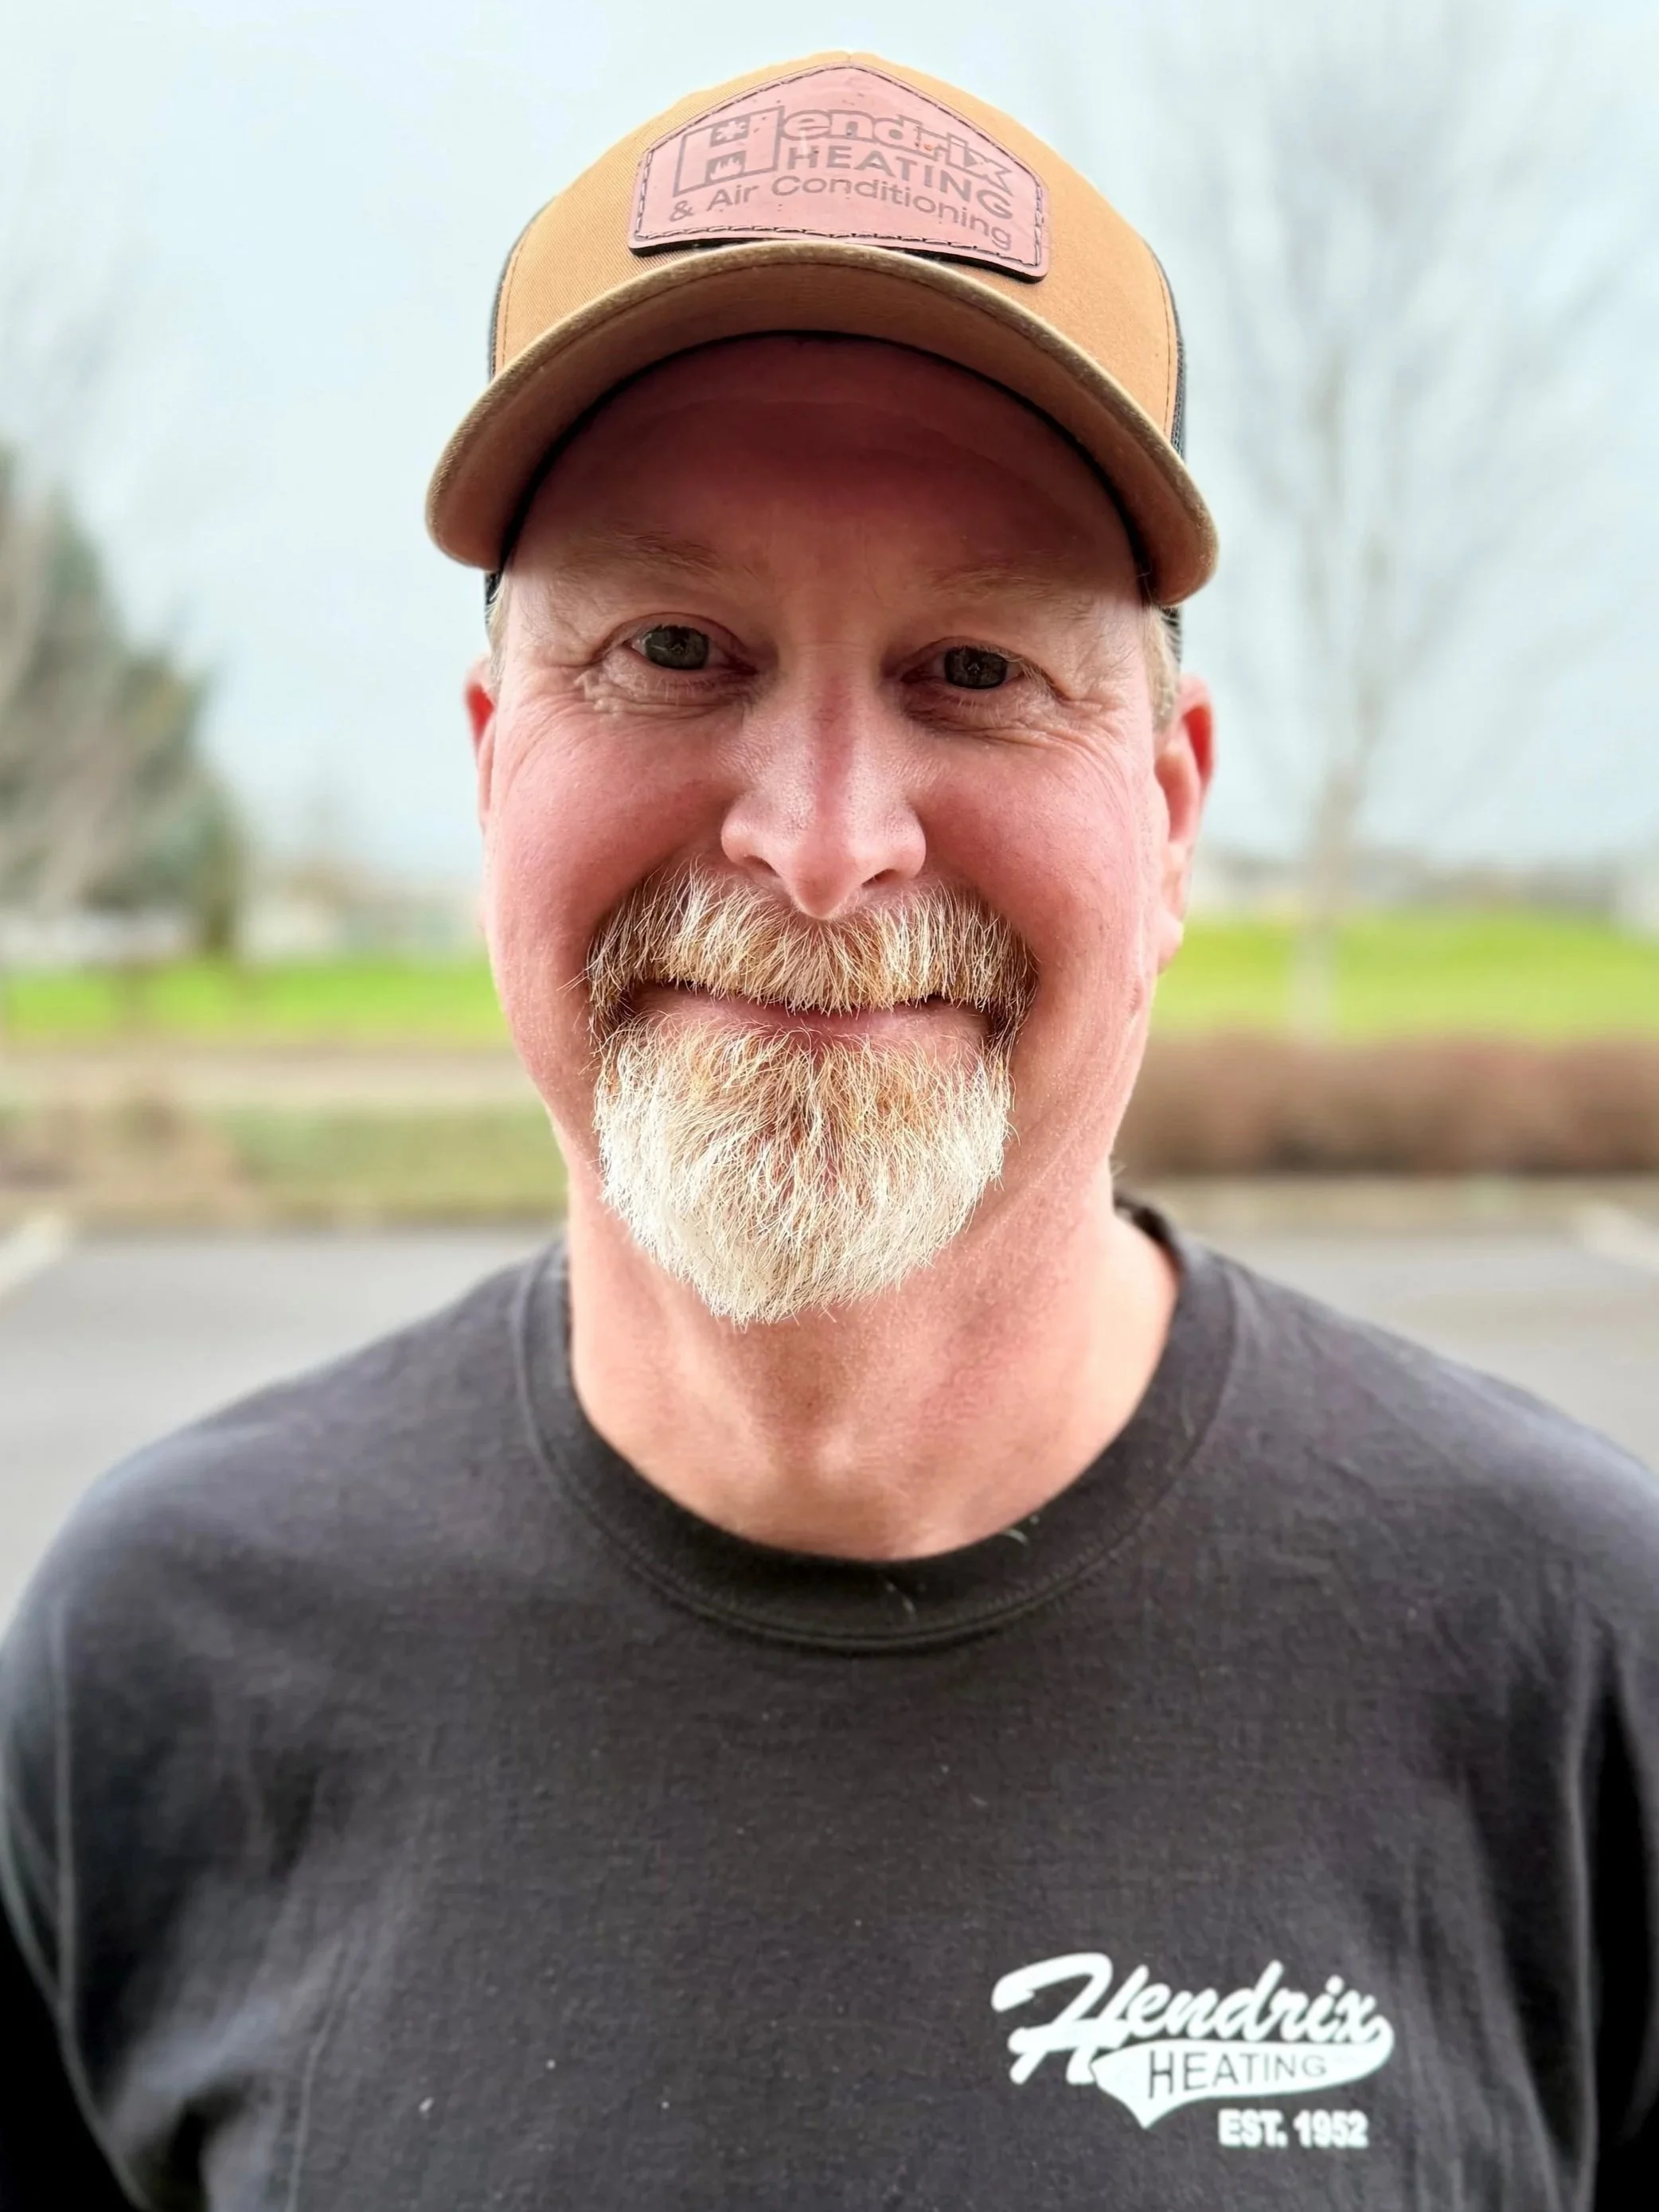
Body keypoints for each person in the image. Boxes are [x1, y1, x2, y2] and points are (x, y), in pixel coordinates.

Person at [1, 52, 1654, 2210]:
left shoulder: (1565, 1661)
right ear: (494, 763)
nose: (816, 843)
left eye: (970, 668)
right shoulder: (159, 1664)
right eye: (674, 646)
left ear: (1162, 816)